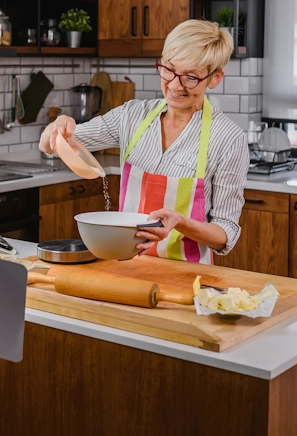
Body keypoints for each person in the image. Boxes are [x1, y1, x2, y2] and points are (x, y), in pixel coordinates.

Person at [39, 19, 249, 264]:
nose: (174, 85)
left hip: (188, 277)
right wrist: (55, 129)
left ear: (215, 78)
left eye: (190, 77)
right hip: (127, 268)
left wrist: (180, 222)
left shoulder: (229, 139)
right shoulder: (131, 116)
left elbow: (225, 234)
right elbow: (55, 146)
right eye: (168, 69)